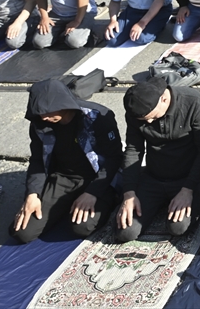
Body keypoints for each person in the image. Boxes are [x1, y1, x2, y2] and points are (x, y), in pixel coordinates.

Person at [11, 79, 122, 243]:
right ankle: (63, 206)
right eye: (40, 113)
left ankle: (106, 201)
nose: (45, 117)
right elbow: (37, 161)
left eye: (48, 112)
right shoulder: (39, 123)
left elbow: (114, 158)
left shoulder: (97, 117)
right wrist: (32, 194)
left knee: (81, 227)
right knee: (22, 232)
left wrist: (93, 192)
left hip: (96, 176)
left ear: (62, 103)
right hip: (62, 178)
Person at [116, 78, 200, 242]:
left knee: (178, 227)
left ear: (163, 98)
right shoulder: (137, 111)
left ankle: (191, 200)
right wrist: (129, 193)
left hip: (188, 177)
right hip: (154, 176)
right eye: (144, 120)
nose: (148, 122)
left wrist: (187, 190)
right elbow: (134, 149)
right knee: (125, 232)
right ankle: (157, 202)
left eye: (151, 117)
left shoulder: (194, 102)